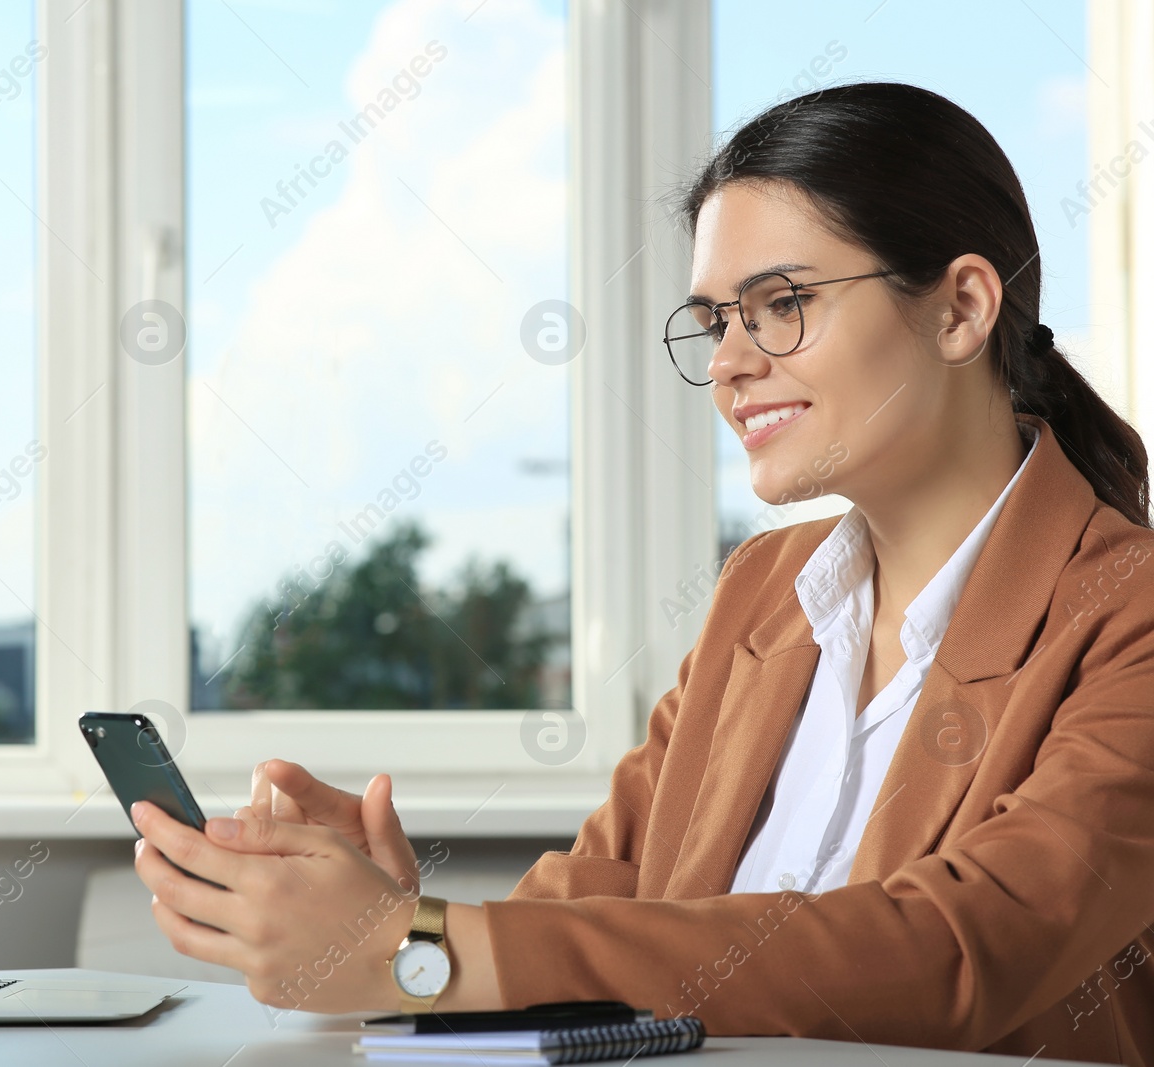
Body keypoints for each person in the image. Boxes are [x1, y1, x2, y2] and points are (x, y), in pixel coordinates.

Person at [131, 80, 1154, 1063]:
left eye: (781, 302)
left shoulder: (1126, 613)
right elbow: (596, 909)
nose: (730, 362)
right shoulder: (760, 596)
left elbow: (957, 951)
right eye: (715, 319)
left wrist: (424, 948)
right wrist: (390, 918)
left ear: (961, 308)